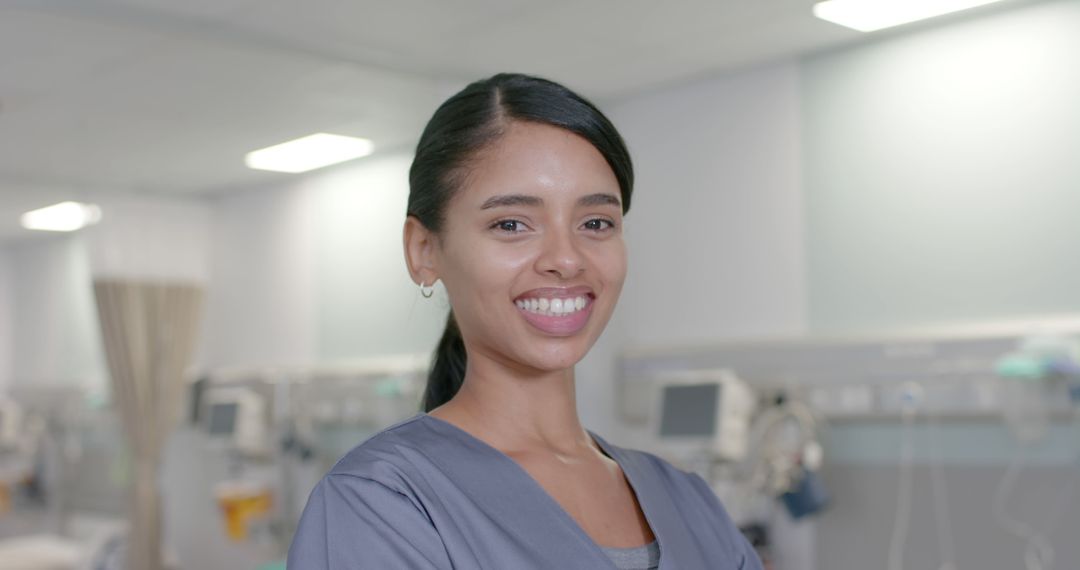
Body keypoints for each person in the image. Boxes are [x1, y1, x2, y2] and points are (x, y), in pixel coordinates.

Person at [287, 72, 763, 570]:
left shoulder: (688, 501)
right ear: (424, 250)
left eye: (596, 223)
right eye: (511, 224)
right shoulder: (380, 502)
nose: (566, 258)